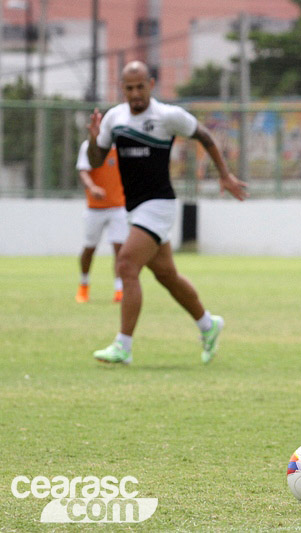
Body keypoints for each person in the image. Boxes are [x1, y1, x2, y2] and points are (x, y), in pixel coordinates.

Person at [88, 61, 247, 365]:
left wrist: (224, 175)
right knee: (166, 275)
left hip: (159, 204)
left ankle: (123, 345)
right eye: (129, 88)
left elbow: (205, 137)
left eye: (140, 87)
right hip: (135, 207)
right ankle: (208, 324)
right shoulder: (114, 118)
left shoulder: (166, 115)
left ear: (150, 84)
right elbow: (96, 161)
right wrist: (94, 139)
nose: (135, 93)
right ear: (122, 89)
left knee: (126, 264)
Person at [75, 140, 127, 303]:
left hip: (119, 207)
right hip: (95, 208)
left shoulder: (122, 145)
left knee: (120, 249)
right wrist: (92, 188)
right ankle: (84, 284)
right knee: (89, 248)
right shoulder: (89, 146)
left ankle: (119, 290)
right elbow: (83, 172)